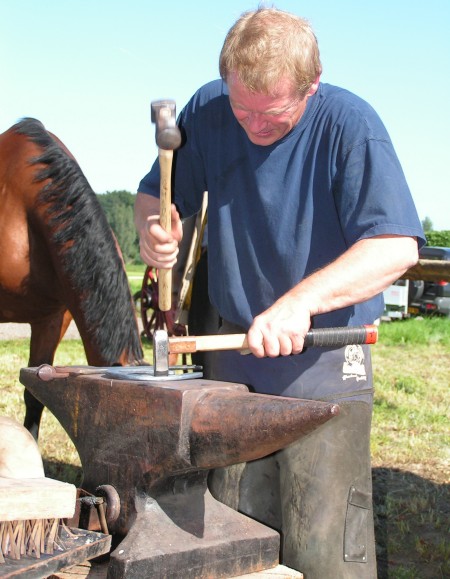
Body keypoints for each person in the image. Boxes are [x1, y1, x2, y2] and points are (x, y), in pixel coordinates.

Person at [135, 7, 425, 578]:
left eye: (272, 114)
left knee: (326, 546)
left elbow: (396, 247)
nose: (253, 126)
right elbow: (155, 195)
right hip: (233, 363)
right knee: (235, 535)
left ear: (312, 85)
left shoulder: (350, 126)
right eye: (242, 107)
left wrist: (299, 302)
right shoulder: (210, 109)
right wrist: (153, 229)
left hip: (321, 360)